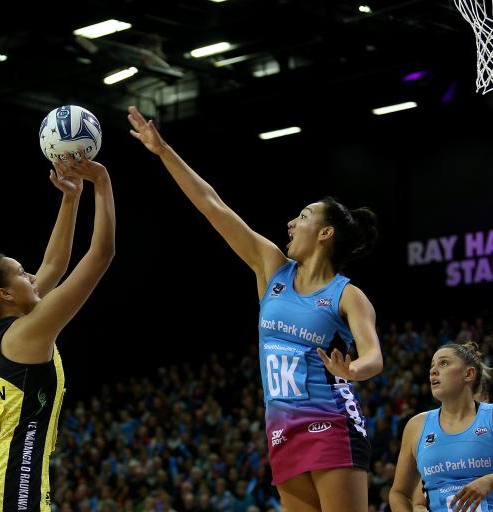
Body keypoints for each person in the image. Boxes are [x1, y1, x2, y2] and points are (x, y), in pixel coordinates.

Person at [127, 105, 383, 512]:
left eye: (302, 217)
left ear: (325, 233)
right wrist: (163, 151)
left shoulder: (346, 294)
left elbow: (373, 356)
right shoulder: (272, 268)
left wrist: (353, 370)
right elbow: (214, 206)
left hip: (331, 424)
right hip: (282, 433)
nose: (290, 223)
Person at [0, 153, 116, 512]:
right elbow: (101, 254)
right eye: (22, 273)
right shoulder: (29, 333)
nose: (32, 277)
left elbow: (54, 265)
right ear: (5, 295)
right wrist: (101, 182)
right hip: (6, 495)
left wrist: (71, 199)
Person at [389, 341, 493, 512]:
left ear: (469, 374)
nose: (433, 371)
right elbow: (399, 493)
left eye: (444, 363)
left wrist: (489, 480)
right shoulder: (416, 426)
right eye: (432, 366)